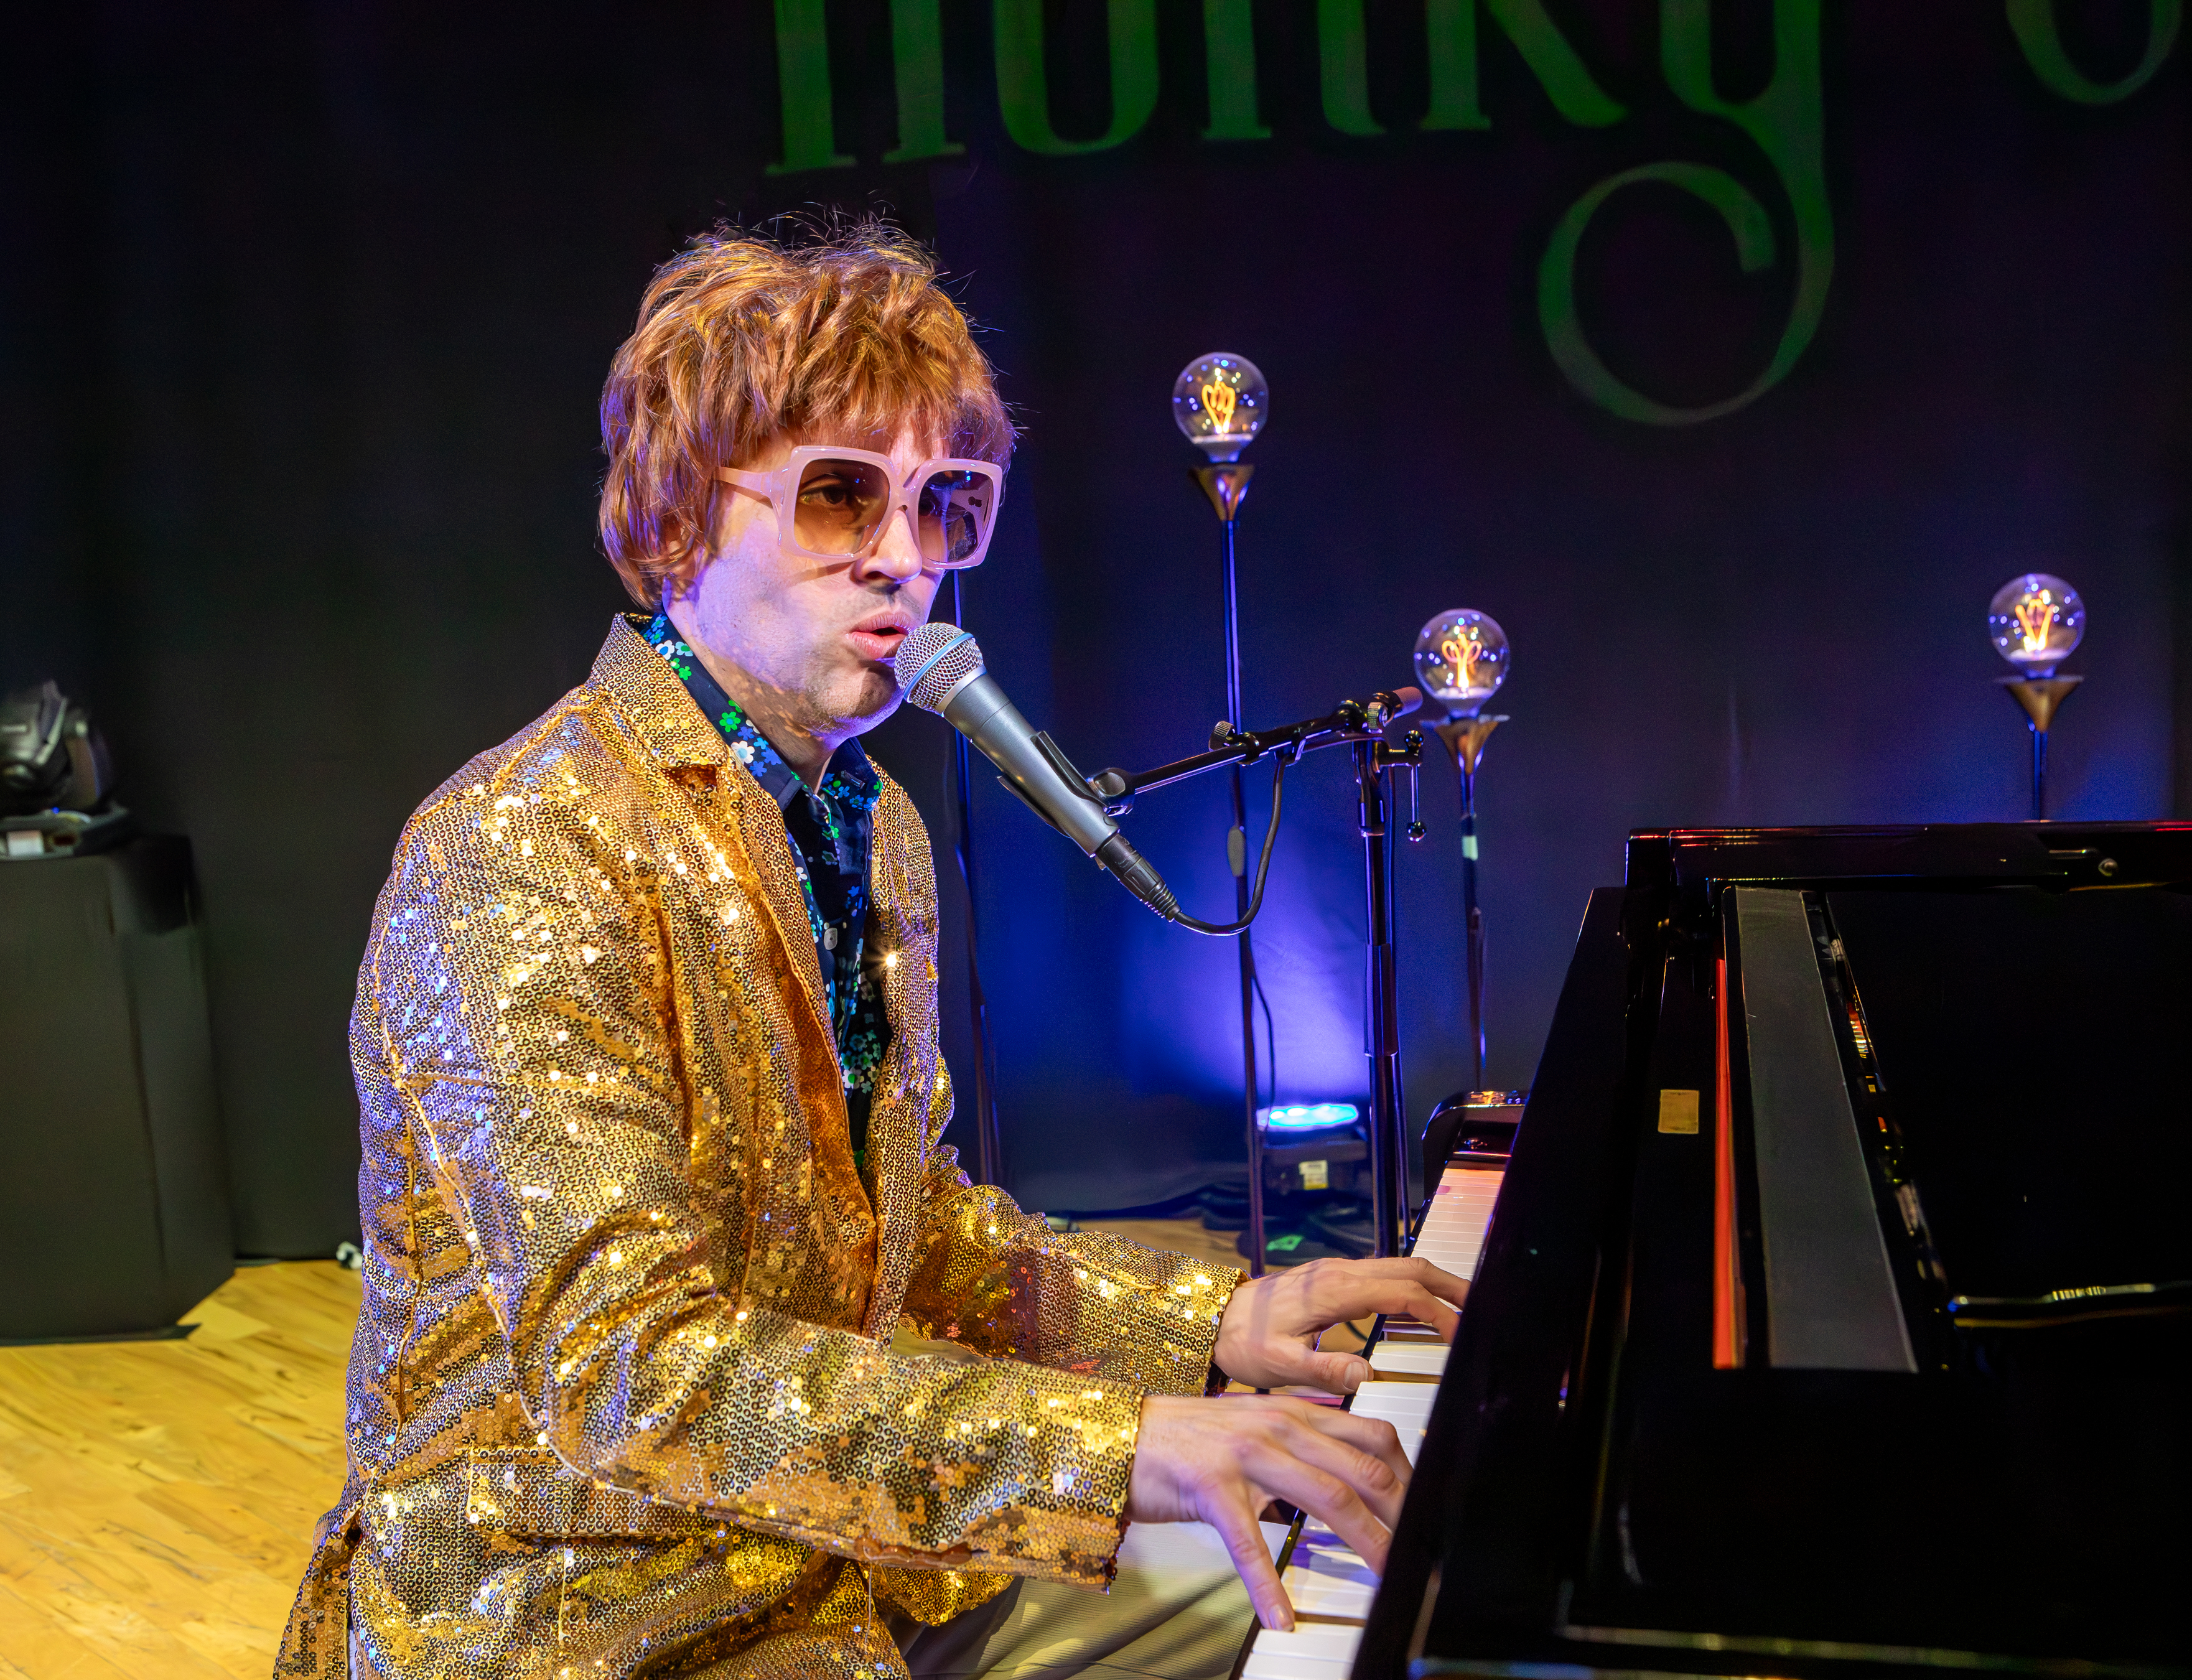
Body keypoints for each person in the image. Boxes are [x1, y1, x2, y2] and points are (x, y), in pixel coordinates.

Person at [276, 224, 1468, 1680]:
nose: (904, 558)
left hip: (861, 1562)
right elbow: (633, 1374)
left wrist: (1219, 1319)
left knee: (1339, 1608)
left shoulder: (870, 818)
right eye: (841, 496)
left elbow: (918, 1237)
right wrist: (1125, 1444)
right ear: (673, 522)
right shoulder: (524, 843)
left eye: (945, 503)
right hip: (589, 1615)